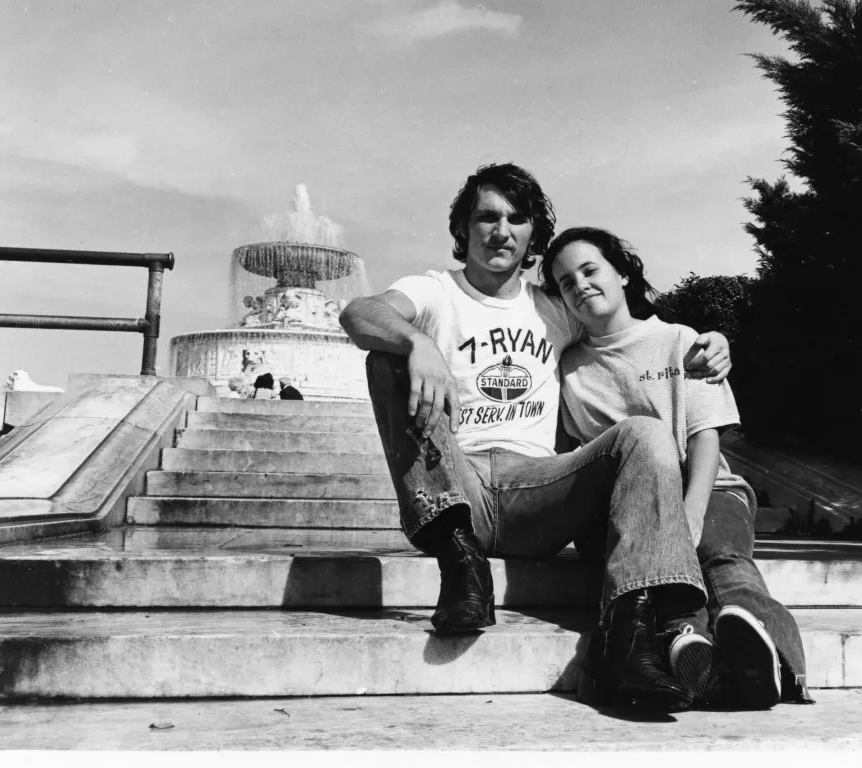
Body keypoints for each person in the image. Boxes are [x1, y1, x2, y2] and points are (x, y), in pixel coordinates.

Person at [340, 162, 732, 712]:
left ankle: (628, 639)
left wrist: (707, 341)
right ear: (463, 231)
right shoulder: (432, 291)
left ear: (531, 238)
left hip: (537, 490)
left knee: (642, 434)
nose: (501, 230)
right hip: (459, 482)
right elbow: (359, 312)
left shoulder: (554, 306)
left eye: (517, 219)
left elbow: (632, 327)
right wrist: (416, 343)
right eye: (487, 217)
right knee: (386, 358)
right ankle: (460, 563)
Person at [542, 226, 814, 709]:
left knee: (725, 563)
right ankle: (693, 646)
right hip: (631, 502)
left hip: (710, 486)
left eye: (590, 270)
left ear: (622, 273)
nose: (579, 285)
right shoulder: (567, 368)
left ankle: (775, 663)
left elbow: (704, 433)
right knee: (669, 580)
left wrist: (692, 508)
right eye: (565, 282)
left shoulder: (680, 341)